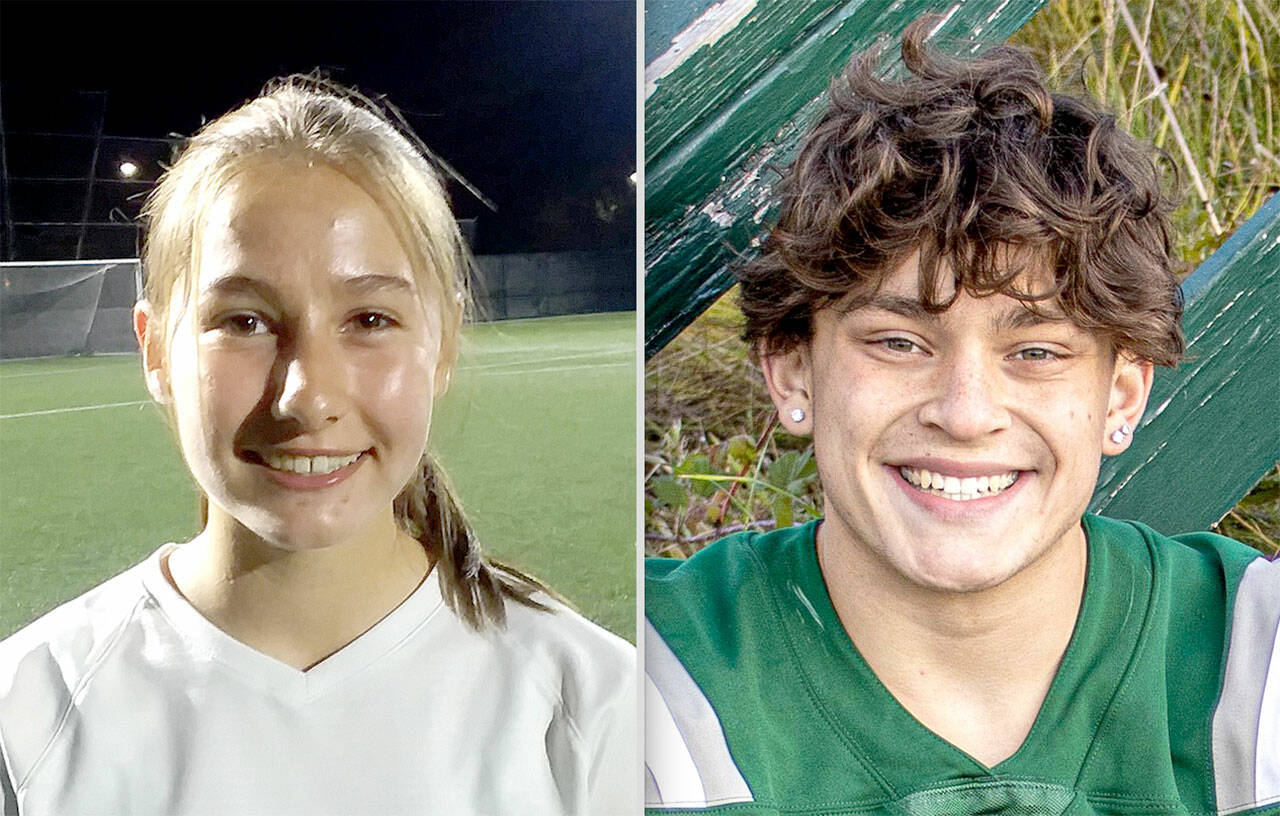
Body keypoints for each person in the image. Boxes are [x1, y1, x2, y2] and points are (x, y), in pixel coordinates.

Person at [644, 18, 1278, 816]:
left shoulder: (1255, 656)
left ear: (1121, 395)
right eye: (900, 342)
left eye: (1036, 351)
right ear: (793, 368)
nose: (966, 413)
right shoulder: (646, 677)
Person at [0, 77, 635, 816]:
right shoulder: (28, 717)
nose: (306, 396)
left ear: (442, 345)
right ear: (156, 352)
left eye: (370, 320)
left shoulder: (595, 708)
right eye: (243, 322)